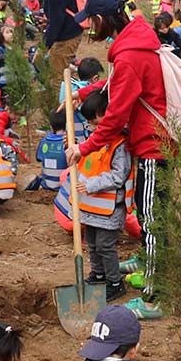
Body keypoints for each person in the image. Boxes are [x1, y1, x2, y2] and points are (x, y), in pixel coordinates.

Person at [67, 0, 167, 318]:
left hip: (155, 144)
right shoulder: (132, 43)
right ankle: (144, 261)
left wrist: (85, 148)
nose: (90, 29)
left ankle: (155, 296)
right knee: (145, 207)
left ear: (101, 19)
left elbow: (116, 116)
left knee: (151, 219)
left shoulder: (130, 54)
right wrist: (88, 92)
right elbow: (115, 87)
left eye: (91, 23)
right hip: (147, 140)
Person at [56, 91, 132, 302]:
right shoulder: (93, 140)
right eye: (90, 125)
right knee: (92, 243)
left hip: (109, 209)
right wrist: (72, 149)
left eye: (96, 124)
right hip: (90, 208)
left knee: (106, 246)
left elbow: (119, 175)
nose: (93, 129)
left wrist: (90, 185)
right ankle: (97, 275)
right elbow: (86, 163)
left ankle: (114, 282)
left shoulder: (119, 145)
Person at [21, 0, 83, 79]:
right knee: (56, 69)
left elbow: (56, 21)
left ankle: (59, 98)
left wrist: (43, 47)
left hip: (67, 35)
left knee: (55, 77)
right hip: (65, 33)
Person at [36, 109, 68, 191]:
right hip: (63, 187)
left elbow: (39, 158)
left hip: (46, 185)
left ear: (51, 126)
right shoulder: (68, 142)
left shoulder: (44, 141)